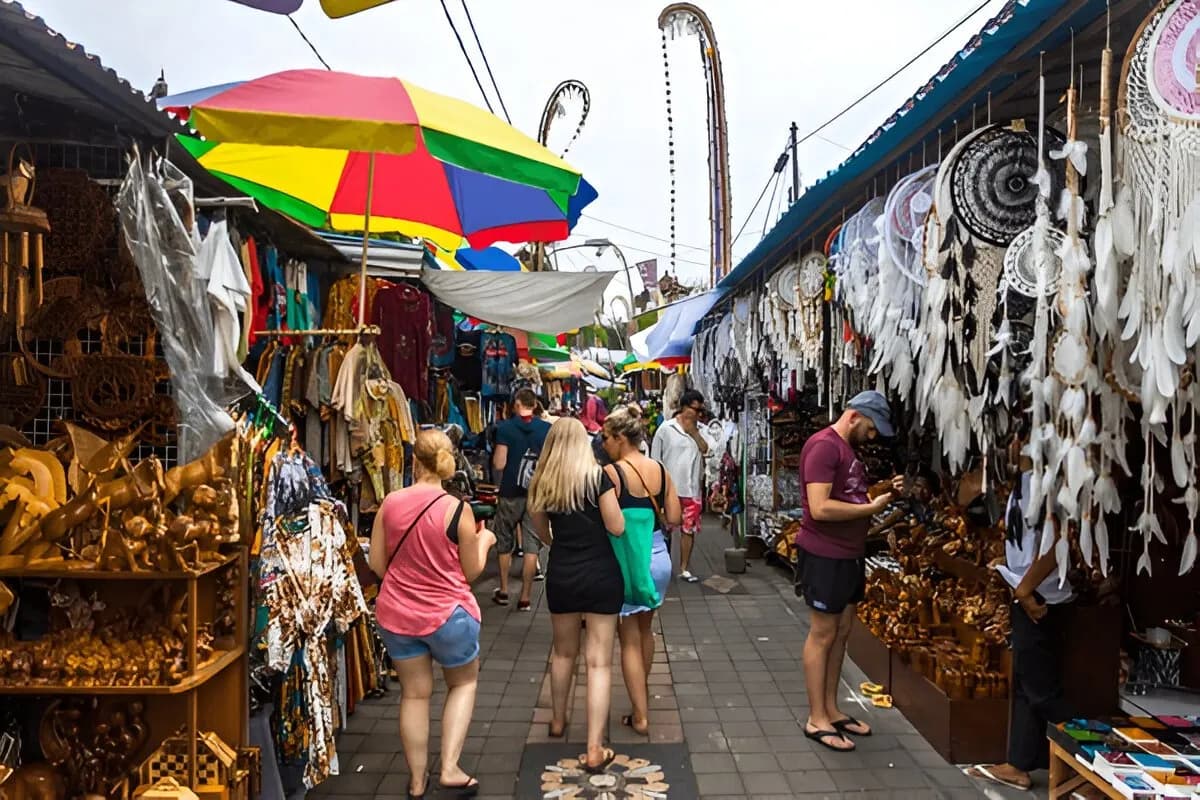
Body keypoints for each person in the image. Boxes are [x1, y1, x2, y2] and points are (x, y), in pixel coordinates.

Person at [369, 429, 496, 799]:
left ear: (413, 460)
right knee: (462, 683)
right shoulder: (458, 509)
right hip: (449, 616)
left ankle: (416, 779)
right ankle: (450, 769)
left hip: (398, 615)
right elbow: (471, 573)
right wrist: (485, 541)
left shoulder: (390, 503)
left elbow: (378, 565)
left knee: (414, 695)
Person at [795, 390, 901, 753]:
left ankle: (830, 708)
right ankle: (815, 718)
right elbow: (821, 508)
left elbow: (849, 495)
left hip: (848, 553)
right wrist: (872, 508)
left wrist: (881, 493)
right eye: (872, 430)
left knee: (841, 632)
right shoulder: (824, 447)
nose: (873, 437)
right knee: (823, 634)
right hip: (826, 554)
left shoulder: (843, 449)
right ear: (855, 416)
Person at [967, 435, 1073, 792]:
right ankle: (1018, 764)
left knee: (1042, 692)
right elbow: (1026, 541)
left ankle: (1093, 763)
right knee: (1027, 687)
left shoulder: (1046, 487)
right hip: (1025, 592)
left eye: (1017, 437)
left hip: (1041, 601)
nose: (1009, 443)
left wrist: (1026, 589)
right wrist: (1009, 565)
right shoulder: (1022, 483)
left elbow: (1058, 541)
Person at [526, 417, 626, 772]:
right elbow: (616, 526)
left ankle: (557, 720)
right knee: (599, 661)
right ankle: (595, 746)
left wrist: (560, 543)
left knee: (563, 652)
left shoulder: (544, 481)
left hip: (563, 573)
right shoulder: (597, 478)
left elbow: (540, 530)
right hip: (601, 573)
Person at [601, 407, 681, 736]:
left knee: (628, 638)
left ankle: (641, 714)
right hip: (659, 558)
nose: (603, 443)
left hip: (627, 563)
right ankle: (641, 697)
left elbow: (606, 522)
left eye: (606, 438)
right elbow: (674, 516)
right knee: (646, 630)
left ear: (621, 438)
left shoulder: (610, 474)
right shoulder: (660, 470)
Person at [491, 388, 552, 611]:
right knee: (531, 546)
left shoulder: (505, 429)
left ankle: (505, 590)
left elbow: (499, 463)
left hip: (509, 492)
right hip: (536, 495)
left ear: (517, 404)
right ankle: (525, 597)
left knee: (504, 541)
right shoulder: (547, 429)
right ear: (535, 404)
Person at [650, 389, 710, 582]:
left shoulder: (702, 430)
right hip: (669, 489)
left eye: (701, 410)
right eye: (695, 409)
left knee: (688, 530)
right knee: (665, 529)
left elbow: (707, 450)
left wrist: (694, 433)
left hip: (692, 489)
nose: (699, 414)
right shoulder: (666, 429)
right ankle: (664, 565)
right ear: (684, 407)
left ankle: (684, 568)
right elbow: (655, 460)